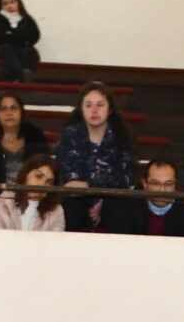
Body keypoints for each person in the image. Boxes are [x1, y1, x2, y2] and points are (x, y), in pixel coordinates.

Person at [54, 83, 134, 231]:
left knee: (121, 208)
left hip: (111, 199)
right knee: (70, 207)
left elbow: (124, 178)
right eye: (88, 105)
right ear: (81, 109)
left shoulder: (122, 135)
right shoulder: (70, 134)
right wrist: (93, 189)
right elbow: (70, 180)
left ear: (110, 109)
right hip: (78, 199)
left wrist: (89, 187)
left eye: (100, 105)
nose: (94, 110)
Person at [100, 156, 184, 237]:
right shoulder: (128, 205)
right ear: (145, 184)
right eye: (155, 183)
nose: (162, 190)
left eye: (168, 184)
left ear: (175, 184)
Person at [0, 152, 66, 230]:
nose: (42, 184)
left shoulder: (56, 211)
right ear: (25, 175)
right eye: (38, 176)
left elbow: (56, 238)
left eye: (49, 182)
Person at [0, 0, 41, 78]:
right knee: (7, 49)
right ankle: (20, 75)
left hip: (22, 49)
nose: (9, 6)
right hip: (1, 51)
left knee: (29, 51)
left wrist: (12, 32)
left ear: (18, 2)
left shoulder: (26, 19)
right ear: (1, 6)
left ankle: (26, 73)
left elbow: (34, 36)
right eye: (5, 4)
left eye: (12, 2)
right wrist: (21, 35)